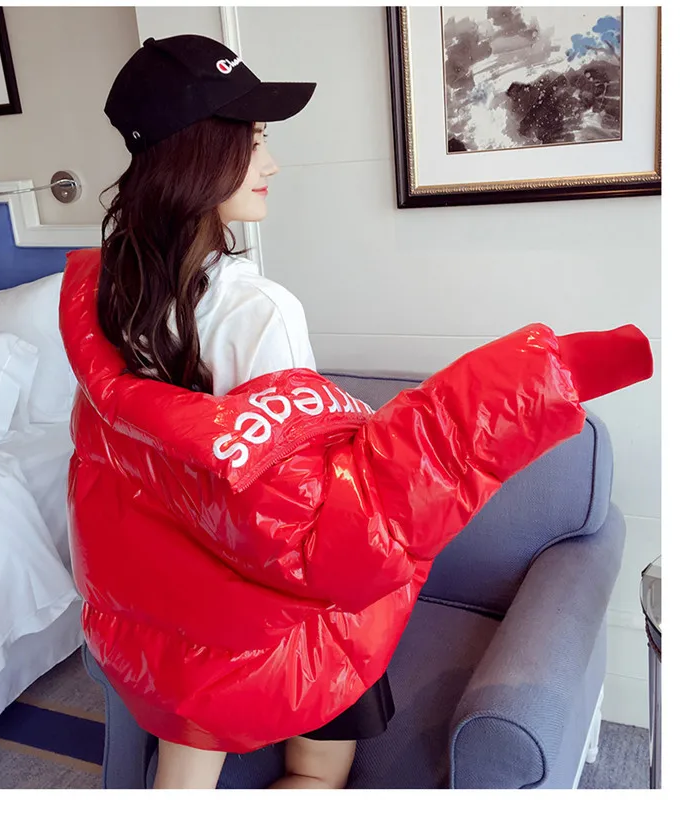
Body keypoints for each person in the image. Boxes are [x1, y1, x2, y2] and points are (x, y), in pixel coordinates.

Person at [59, 35, 654, 790]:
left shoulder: (108, 297)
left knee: (181, 776)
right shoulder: (256, 309)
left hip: (170, 607)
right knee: (320, 771)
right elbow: (304, 508)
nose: (271, 163)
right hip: (267, 618)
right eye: (253, 139)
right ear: (197, 153)